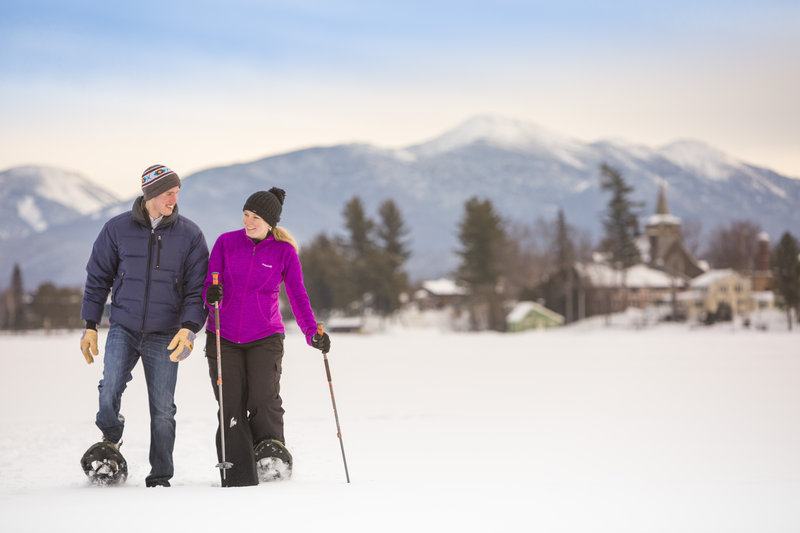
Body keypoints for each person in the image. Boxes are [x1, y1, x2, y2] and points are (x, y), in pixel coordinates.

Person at [79, 164, 209, 487]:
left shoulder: (190, 235)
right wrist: (91, 324)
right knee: (109, 389)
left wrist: (190, 327)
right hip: (124, 326)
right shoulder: (116, 229)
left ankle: (160, 477)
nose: (174, 199)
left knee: (163, 409)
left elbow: (197, 289)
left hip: (166, 332)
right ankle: (110, 441)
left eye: (177, 193)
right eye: (168, 193)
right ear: (150, 195)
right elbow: (98, 278)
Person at [203, 187, 331, 487]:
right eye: (246, 214)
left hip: (264, 335)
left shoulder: (284, 252)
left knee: (263, 397)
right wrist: (211, 295)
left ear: (270, 222)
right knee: (230, 403)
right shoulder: (226, 243)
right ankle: (237, 474)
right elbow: (210, 284)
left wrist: (313, 333)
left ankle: (270, 458)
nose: (248, 221)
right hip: (223, 335)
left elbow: (298, 297)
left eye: (256, 217)